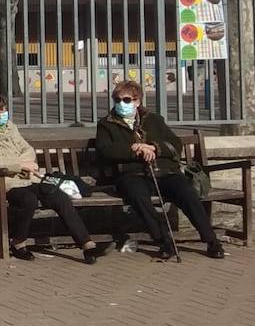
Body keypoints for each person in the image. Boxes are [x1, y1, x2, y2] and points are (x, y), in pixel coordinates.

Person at [0, 92, 108, 263]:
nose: (5, 113)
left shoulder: (10, 127)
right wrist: (20, 164)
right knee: (28, 200)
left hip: (27, 178)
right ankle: (19, 242)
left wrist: (25, 162)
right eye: (1, 110)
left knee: (56, 194)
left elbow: (28, 150)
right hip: (1, 182)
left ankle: (87, 245)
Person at [96, 80, 224, 260]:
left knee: (186, 194)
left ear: (137, 101)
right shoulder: (106, 124)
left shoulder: (155, 120)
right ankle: (164, 241)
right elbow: (105, 150)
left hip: (165, 172)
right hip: (132, 174)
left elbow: (175, 144)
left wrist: (155, 148)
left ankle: (212, 241)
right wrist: (136, 149)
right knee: (138, 197)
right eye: (116, 100)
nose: (120, 104)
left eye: (126, 100)